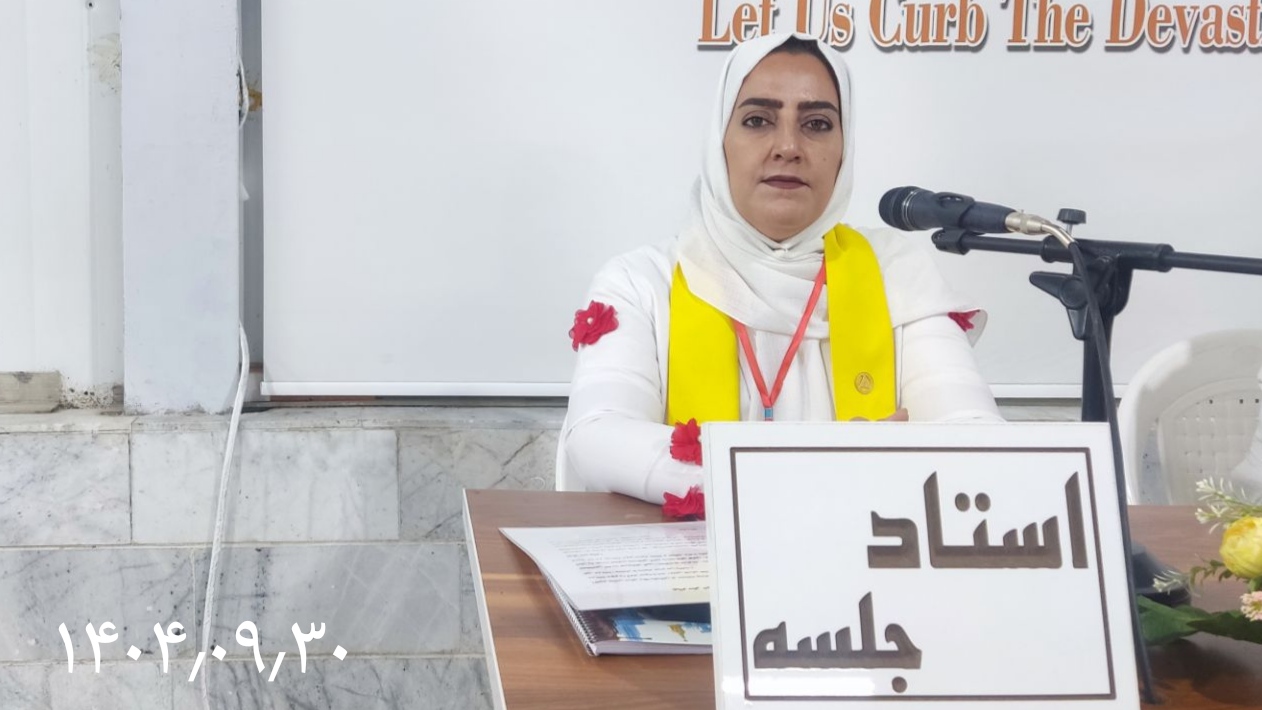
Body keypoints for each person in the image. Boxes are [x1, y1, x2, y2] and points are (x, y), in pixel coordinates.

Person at [558, 32, 1002, 505]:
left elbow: (976, 437)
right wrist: (821, 470)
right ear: (719, 142)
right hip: (697, 554)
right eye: (758, 120)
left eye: (816, 124)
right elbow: (598, 435)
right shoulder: (643, 283)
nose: (788, 146)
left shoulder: (897, 273)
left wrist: (761, 477)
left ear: (844, 148)